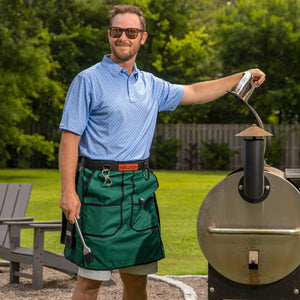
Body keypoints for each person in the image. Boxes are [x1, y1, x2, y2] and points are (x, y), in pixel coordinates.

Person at [59, 4, 265, 300]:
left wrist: (239, 77)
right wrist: (68, 191)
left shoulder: (151, 86)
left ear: (142, 37)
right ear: (109, 36)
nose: (123, 38)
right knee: (90, 283)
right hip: (97, 190)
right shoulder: (87, 81)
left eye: (131, 32)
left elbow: (194, 91)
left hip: (139, 191)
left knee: (137, 283)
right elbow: (69, 140)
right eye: (117, 31)